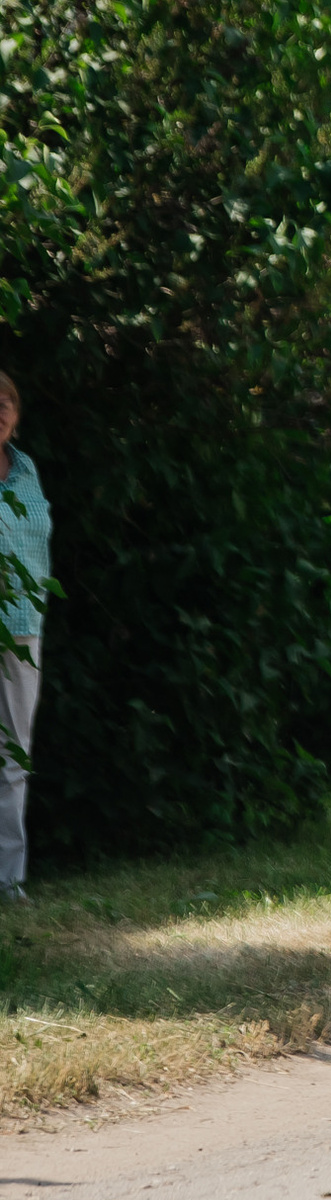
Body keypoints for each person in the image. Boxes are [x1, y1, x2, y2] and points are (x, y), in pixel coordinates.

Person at [0, 371, 50, 904]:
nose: (0, 409)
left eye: (6, 401)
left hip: (22, 629)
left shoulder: (27, 469)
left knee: (14, 755)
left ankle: (9, 884)